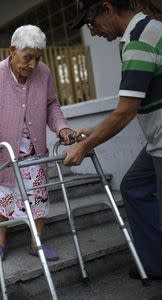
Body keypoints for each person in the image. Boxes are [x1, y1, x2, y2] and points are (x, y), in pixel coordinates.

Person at [66, 0, 162, 280]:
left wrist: (84, 146)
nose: (92, 32)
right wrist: (94, 130)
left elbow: (125, 111)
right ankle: (155, 263)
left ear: (107, 9)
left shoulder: (139, 39)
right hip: (156, 140)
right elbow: (131, 103)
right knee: (133, 185)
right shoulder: (146, 30)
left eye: (91, 23)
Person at [0, 25, 76, 263]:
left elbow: (51, 105)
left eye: (38, 59)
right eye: (28, 58)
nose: (33, 65)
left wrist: (62, 128)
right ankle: (0, 242)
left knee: (38, 198)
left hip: (34, 152)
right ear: (12, 50)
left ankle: (36, 243)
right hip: (3, 152)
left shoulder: (44, 73)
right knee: (2, 200)